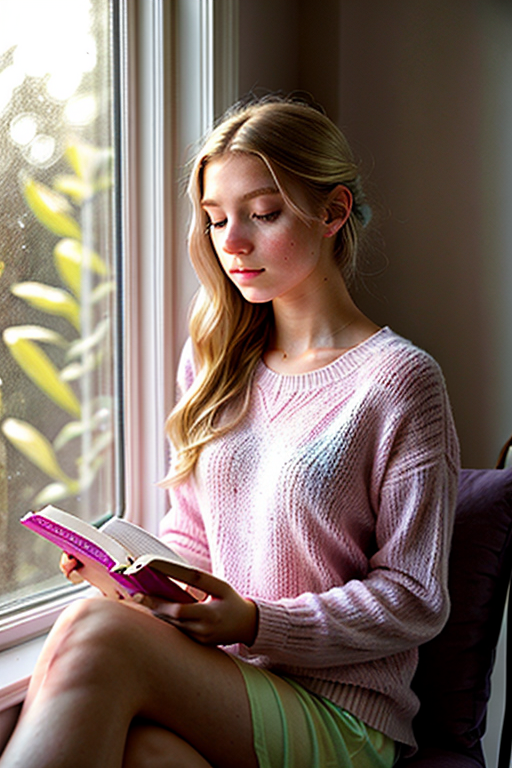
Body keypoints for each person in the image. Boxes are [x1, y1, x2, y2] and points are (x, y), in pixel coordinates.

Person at [0, 95, 460, 768]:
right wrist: (132, 577)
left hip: (343, 714)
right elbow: (194, 537)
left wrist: (257, 621)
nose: (232, 243)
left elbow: (415, 599)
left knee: (95, 635)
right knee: (142, 751)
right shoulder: (217, 359)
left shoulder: (399, 381)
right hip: (229, 686)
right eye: (216, 220)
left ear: (332, 212)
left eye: (263, 214)